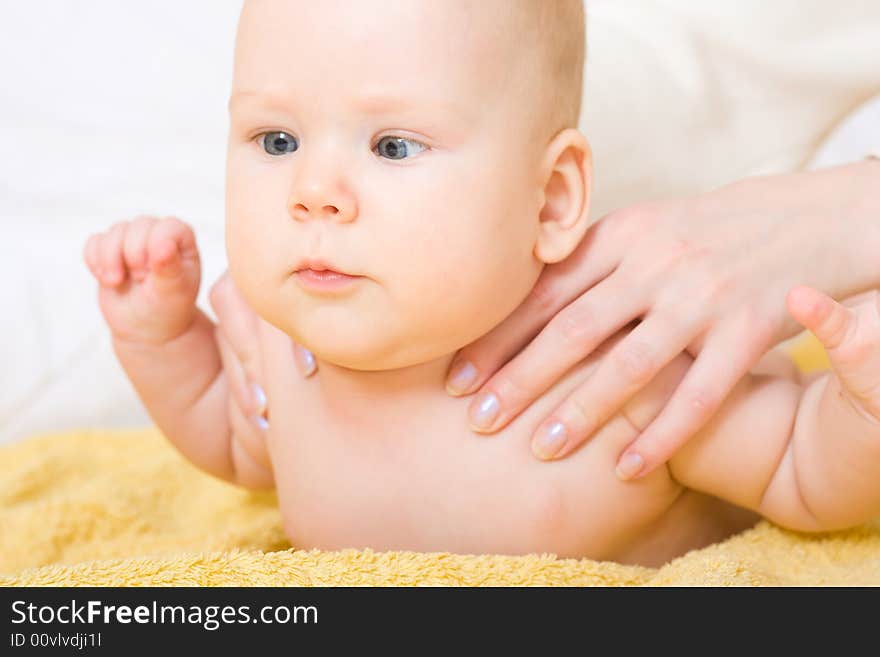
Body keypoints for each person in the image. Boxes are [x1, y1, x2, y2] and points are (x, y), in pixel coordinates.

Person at [83, 0, 880, 567]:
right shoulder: (286, 357)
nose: (313, 188)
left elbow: (802, 474)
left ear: (552, 198)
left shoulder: (613, 360)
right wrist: (161, 336)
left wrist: (861, 409)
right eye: (276, 137)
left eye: (393, 146)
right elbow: (233, 443)